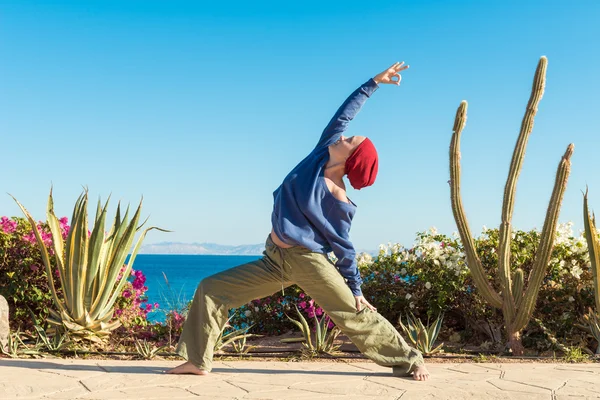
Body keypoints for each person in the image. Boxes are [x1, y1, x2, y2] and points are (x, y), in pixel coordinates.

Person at [167, 62, 430, 381]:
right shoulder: (321, 153)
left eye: (350, 141)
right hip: (274, 259)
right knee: (210, 288)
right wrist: (373, 82)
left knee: (353, 313)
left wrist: (355, 287)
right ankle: (198, 360)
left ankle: (410, 359)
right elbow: (344, 114)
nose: (343, 136)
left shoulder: (337, 198)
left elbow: (343, 245)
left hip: (308, 261)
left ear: (349, 159)